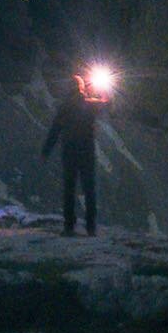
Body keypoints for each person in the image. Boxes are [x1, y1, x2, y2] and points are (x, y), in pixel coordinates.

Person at [41, 70, 108, 235]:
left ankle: (69, 226)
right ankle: (91, 227)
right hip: (87, 153)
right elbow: (107, 103)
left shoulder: (64, 109)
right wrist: (104, 88)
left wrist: (46, 151)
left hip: (69, 154)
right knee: (89, 189)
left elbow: (55, 131)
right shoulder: (90, 105)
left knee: (69, 189)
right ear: (81, 88)